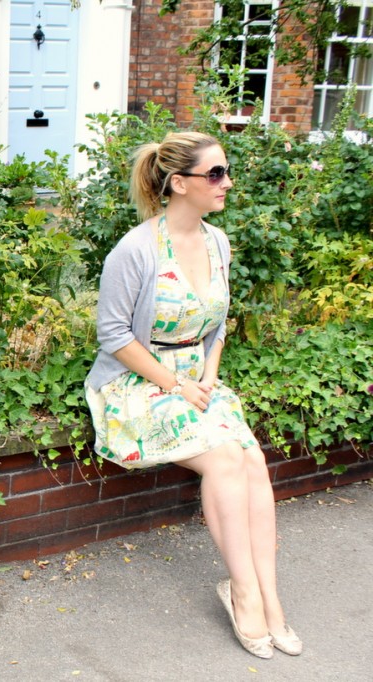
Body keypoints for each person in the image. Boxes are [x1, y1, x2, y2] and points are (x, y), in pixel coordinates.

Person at [83, 131, 302, 659]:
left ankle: (269, 599)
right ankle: (245, 593)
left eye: (226, 171)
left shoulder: (217, 242)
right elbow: (113, 335)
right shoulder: (135, 249)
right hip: (137, 385)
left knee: (250, 459)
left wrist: (207, 375)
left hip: (195, 380)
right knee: (227, 459)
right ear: (178, 184)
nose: (227, 182)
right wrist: (176, 383)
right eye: (216, 174)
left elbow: (218, 322)